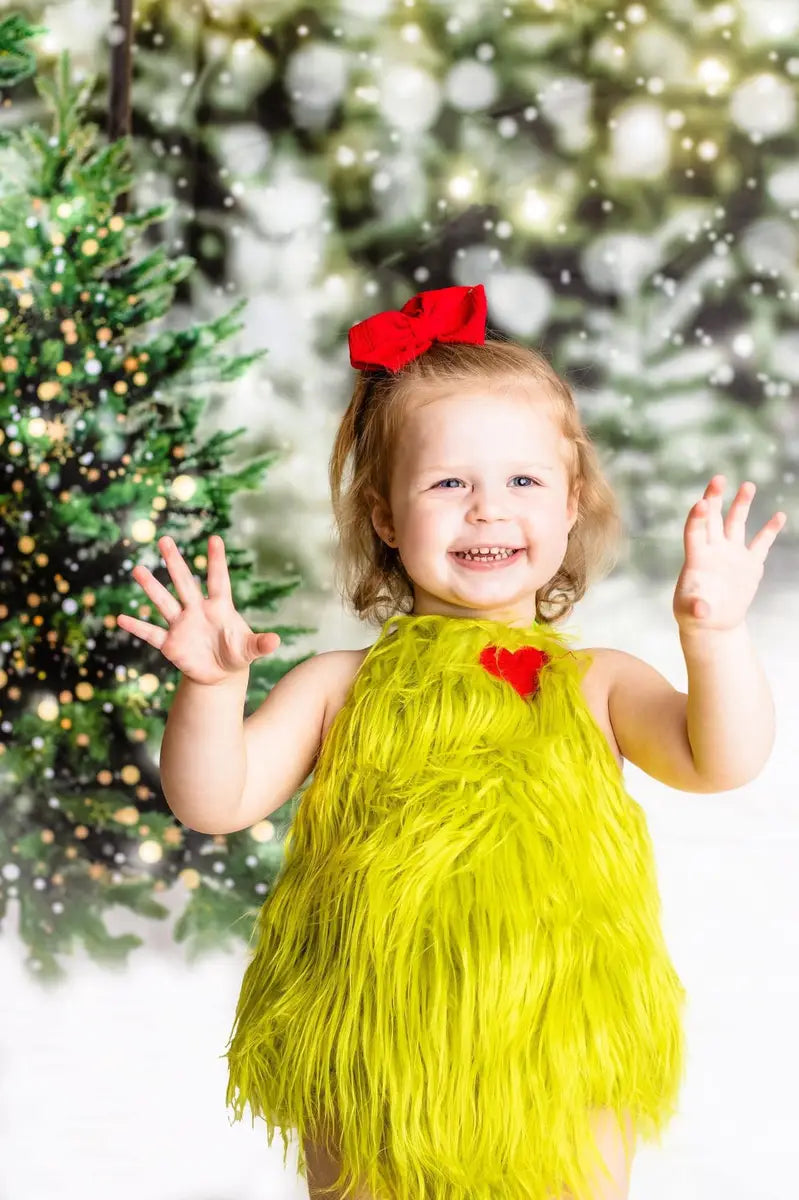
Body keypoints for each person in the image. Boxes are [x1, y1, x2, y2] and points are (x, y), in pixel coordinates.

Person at [118, 284, 786, 1200]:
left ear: (568, 503)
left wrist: (711, 639)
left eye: (522, 481)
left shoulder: (598, 680)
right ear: (386, 517)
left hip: (564, 1034)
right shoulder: (338, 686)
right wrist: (211, 691)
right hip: (373, 1044)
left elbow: (723, 760)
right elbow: (212, 799)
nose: (486, 509)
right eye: (446, 483)